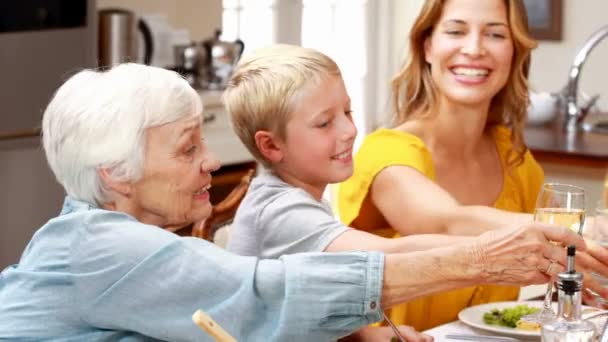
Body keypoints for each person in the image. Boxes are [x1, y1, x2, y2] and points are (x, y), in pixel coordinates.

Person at [0, 63, 586, 341]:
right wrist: (480, 260)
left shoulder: (103, 242)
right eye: (187, 149)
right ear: (116, 174)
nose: (209, 162)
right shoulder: (103, 245)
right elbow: (266, 292)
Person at [221, 42, 590, 339]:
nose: (349, 131)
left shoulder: (300, 198)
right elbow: (384, 260)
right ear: (271, 146)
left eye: (347, 112)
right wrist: (499, 251)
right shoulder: (279, 210)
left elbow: (309, 291)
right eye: (324, 123)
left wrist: (365, 335)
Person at [337, 0, 608, 330]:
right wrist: (584, 229)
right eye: (455, 31)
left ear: (514, 53)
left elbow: (551, 254)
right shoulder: (385, 152)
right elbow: (444, 223)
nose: (474, 48)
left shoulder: (513, 158)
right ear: (427, 47)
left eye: (495, 34)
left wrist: (575, 281)